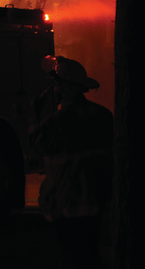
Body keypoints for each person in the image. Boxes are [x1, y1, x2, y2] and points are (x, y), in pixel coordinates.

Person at [29, 56, 113, 269]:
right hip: (97, 200)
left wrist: (35, 114)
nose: (53, 89)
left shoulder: (55, 123)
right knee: (91, 255)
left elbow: (37, 144)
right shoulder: (103, 116)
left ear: (65, 88)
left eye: (56, 84)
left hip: (67, 203)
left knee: (71, 258)